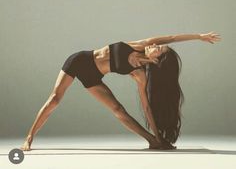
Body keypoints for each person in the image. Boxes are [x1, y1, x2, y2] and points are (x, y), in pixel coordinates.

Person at [20, 31, 221, 151]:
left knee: (119, 110)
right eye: (158, 45)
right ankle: (29, 138)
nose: (154, 45)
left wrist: (158, 136)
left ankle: (153, 142)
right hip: (79, 60)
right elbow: (172, 37)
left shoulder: (140, 74)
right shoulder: (139, 45)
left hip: (93, 78)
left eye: (158, 49)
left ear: (157, 61)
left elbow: (146, 107)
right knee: (55, 99)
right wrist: (198, 36)